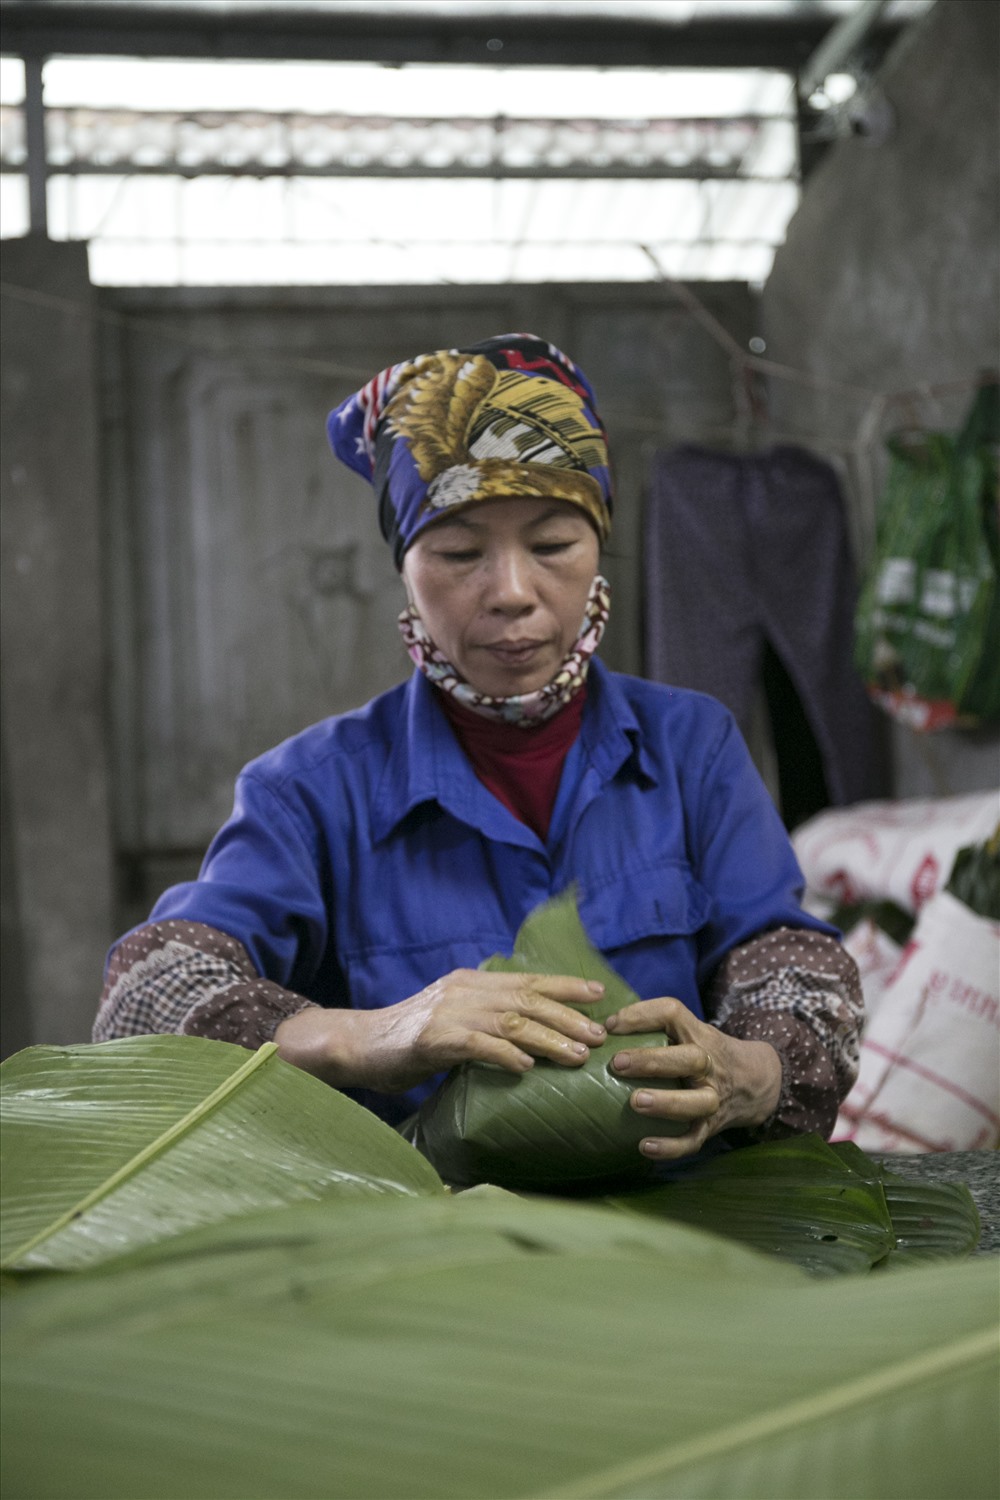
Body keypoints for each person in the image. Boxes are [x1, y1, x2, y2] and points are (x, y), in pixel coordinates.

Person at [94, 332, 863, 1163]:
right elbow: (146, 999)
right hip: (431, 1251)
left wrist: (749, 1069)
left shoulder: (692, 745)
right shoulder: (309, 792)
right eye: (460, 552)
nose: (512, 593)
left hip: (678, 1237)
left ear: (599, 547)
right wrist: (372, 1035)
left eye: (553, 545)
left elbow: (789, 960)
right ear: (406, 569)